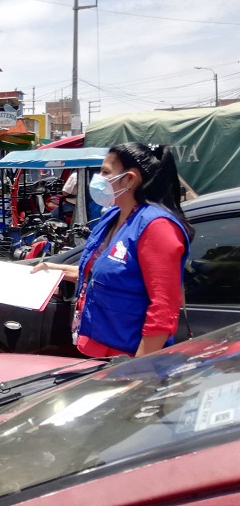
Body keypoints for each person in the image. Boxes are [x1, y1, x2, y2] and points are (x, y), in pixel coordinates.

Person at [32, 143, 193, 358]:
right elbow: (101, 275)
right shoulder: (113, 216)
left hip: (127, 360)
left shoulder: (156, 227)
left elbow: (163, 311)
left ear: (130, 179)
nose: (98, 178)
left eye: (105, 172)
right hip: (96, 350)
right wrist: (54, 270)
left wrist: (137, 372)